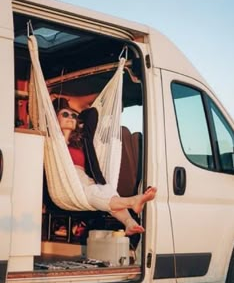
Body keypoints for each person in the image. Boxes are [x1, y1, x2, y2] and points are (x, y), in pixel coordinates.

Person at [52, 97, 157, 236]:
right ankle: (132, 201)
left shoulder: (81, 142)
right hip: (67, 179)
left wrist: (73, 108)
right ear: (54, 118)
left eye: (74, 115)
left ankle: (129, 222)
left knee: (106, 189)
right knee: (93, 194)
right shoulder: (52, 141)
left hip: (83, 178)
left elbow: (92, 114)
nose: (71, 117)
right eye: (65, 114)